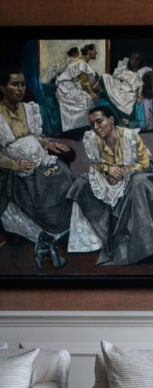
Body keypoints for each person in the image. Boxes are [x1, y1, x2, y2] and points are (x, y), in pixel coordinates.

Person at [66, 105, 153, 266]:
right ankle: (90, 242)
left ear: (111, 119)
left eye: (99, 121)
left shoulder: (130, 137)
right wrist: (108, 169)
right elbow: (96, 163)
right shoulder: (92, 139)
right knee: (82, 182)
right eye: (92, 124)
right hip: (109, 174)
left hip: (140, 173)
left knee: (137, 183)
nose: (96, 127)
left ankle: (144, 244)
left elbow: (144, 164)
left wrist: (122, 172)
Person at [0, 68, 74, 269]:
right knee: (39, 186)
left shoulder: (29, 109)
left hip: (40, 158)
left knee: (62, 173)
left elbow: (36, 137)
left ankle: (66, 226)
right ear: (2, 88)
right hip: (13, 167)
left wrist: (48, 144)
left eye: (23, 84)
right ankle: (48, 231)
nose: (20, 89)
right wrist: (15, 164)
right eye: (15, 84)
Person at [100, 51, 153, 130]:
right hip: (119, 89)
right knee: (105, 77)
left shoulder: (140, 72)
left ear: (140, 61)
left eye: (137, 60)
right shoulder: (124, 69)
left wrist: (139, 95)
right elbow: (116, 78)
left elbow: (140, 85)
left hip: (130, 93)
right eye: (132, 59)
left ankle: (123, 123)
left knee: (125, 102)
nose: (134, 61)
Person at [55, 43, 100, 132]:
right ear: (89, 51)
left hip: (67, 87)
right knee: (88, 101)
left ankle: (80, 128)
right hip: (66, 88)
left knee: (87, 100)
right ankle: (79, 129)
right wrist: (92, 94)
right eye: (94, 50)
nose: (96, 52)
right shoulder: (81, 63)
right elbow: (84, 81)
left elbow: (81, 79)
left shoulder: (79, 61)